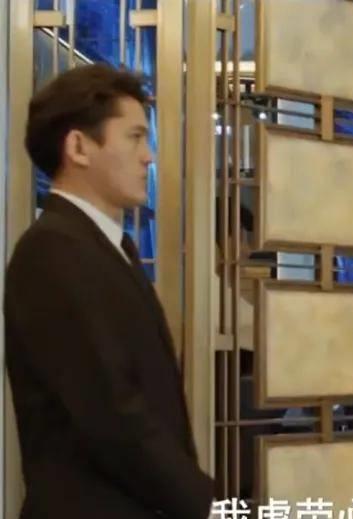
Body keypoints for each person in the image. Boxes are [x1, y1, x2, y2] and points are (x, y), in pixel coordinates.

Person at [5, 64, 214, 518]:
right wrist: (210, 507)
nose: (149, 157)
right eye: (135, 138)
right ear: (79, 147)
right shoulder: (51, 251)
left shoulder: (108, 245)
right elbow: (114, 414)